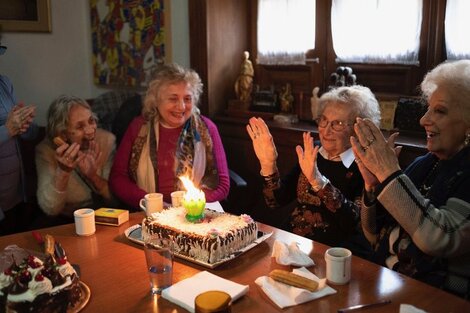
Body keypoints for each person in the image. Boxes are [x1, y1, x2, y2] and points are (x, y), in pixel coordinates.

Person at [351, 60, 470, 298]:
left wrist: (389, 173)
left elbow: (440, 238)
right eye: (428, 108)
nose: (423, 120)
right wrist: (372, 187)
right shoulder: (424, 164)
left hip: (441, 297)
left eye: (440, 111)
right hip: (390, 283)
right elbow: (374, 235)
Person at [246, 85, 381, 252]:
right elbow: (276, 201)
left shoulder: (365, 164)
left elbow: (357, 222)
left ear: (358, 129)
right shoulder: (315, 151)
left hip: (333, 253)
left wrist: (318, 182)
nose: (326, 130)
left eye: (337, 123)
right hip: (293, 244)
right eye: (323, 119)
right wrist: (268, 165)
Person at [109, 63, 230, 208]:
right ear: (156, 100)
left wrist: (191, 202)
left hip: (195, 212)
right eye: (173, 99)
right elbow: (117, 178)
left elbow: (223, 185)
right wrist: (153, 203)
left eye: (187, 99)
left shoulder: (207, 129)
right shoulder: (138, 127)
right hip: (151, 212)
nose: (181, 107)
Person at [35, 95, 116, 224]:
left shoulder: (106, 141)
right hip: (68, 221)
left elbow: (115, 200)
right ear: (62, 134)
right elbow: (50, 208)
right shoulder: (46, 151)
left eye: (91, 121)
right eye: (79, 127)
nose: (90, 131)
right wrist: (63, 172)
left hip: (102, 216)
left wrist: (93, 177)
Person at [1, 41, 39, 235]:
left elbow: (30, 135)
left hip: (15, 191)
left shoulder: (4, 84)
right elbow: (8, 130)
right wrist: (8, 129)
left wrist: (24, 123)